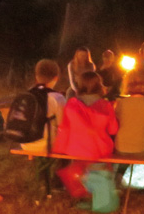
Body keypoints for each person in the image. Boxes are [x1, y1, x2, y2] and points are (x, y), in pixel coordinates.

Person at [53, 71, 118, 200]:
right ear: (99, 85)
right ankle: (99, 191)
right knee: (104, 163)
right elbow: (113, 130)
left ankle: (83, 189)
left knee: (82, 164)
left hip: (75, 149)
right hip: (98, 150)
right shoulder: (105, 105)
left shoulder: (71, 104)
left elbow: (65, 127)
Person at [114, 68, 144, 194]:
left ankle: (116, 182)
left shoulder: (119, 104)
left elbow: (115, 126)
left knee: (126, 153)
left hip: (121, 147)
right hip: (141, 148)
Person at [20, 59, 67, 188]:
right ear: (56, 78)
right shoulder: (57, 97)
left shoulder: (26, 94)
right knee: (68, 144)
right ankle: (58, 181)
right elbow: (63, 124)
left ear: (36, 77)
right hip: (45, 144)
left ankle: (42, 176)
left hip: (25, 142)